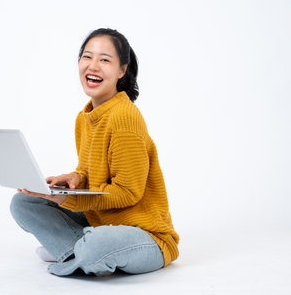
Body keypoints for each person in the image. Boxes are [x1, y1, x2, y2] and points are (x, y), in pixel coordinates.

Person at [10, 28, 179, 277]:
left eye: (105, 60)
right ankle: (76, 248)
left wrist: (69, 199)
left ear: (122, 70)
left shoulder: (125, 117)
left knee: (97, 245)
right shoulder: (84, 117)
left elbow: (128, 192)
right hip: (99, 221)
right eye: (87, 57)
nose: (93, 66)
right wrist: (75, 178)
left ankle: (71, 249)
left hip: (146, 235)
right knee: (24, 202)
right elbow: (93, 171)